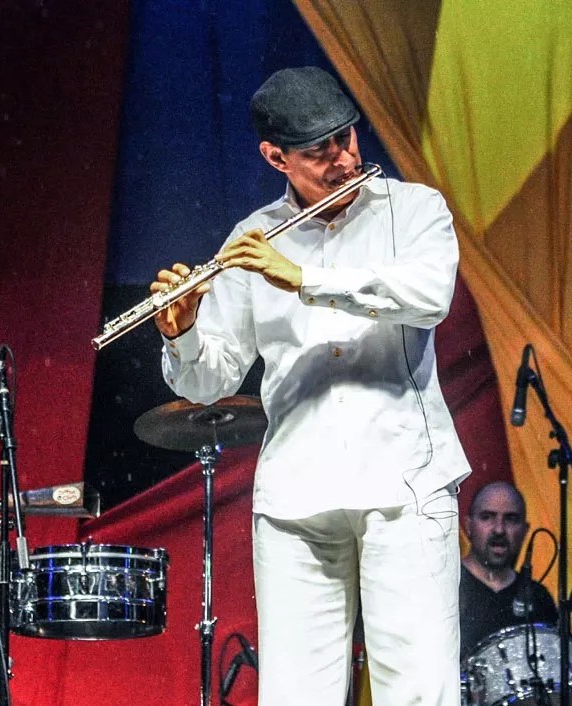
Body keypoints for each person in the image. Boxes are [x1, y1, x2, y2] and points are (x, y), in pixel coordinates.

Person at [153, 66, 472, 705]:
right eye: (320, 151)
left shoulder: (415, 210)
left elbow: (429, 297)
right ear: (276, 157)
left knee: (419, 691)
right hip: (296, 497)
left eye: (346, 138)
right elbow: (210, 380)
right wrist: (181, 333)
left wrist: (305, 279)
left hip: (406, 484)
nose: (344, 160)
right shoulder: (251, 239)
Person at [459, 481, 558, 658]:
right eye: (487, 517)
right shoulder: (443, 587)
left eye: (511, 519)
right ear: (468, 525)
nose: (499, 529)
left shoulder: (539, 598)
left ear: (525, 531)